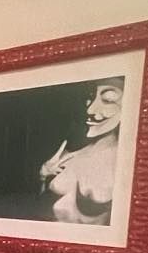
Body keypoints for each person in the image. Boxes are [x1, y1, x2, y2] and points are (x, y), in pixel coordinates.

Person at [39, 78, 123, 224]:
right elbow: (39, 206)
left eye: (108, 100)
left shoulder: (127, 162)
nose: (89, 109)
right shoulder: (69, 152)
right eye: (90, 97)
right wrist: (43, 176)